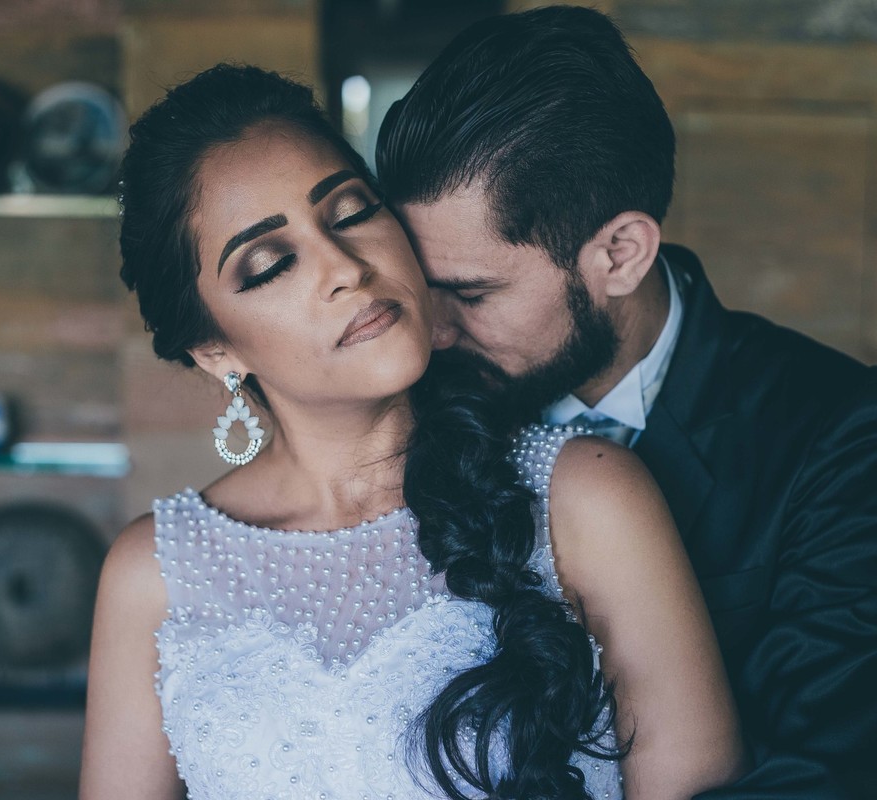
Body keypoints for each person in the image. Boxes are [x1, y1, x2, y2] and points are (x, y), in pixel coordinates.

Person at [78, 63, 746, 800]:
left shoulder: (584, 498)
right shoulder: (154, 574)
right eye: (269, 263)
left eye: (350, 211)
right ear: (216, 351)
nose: (343, 268)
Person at [376, 6, 877, 799]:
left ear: (620, 253)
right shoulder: (412, 399)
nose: (436, 333)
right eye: (421, 289)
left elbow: (830, 767)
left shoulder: (830, 426)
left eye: (471, 293)